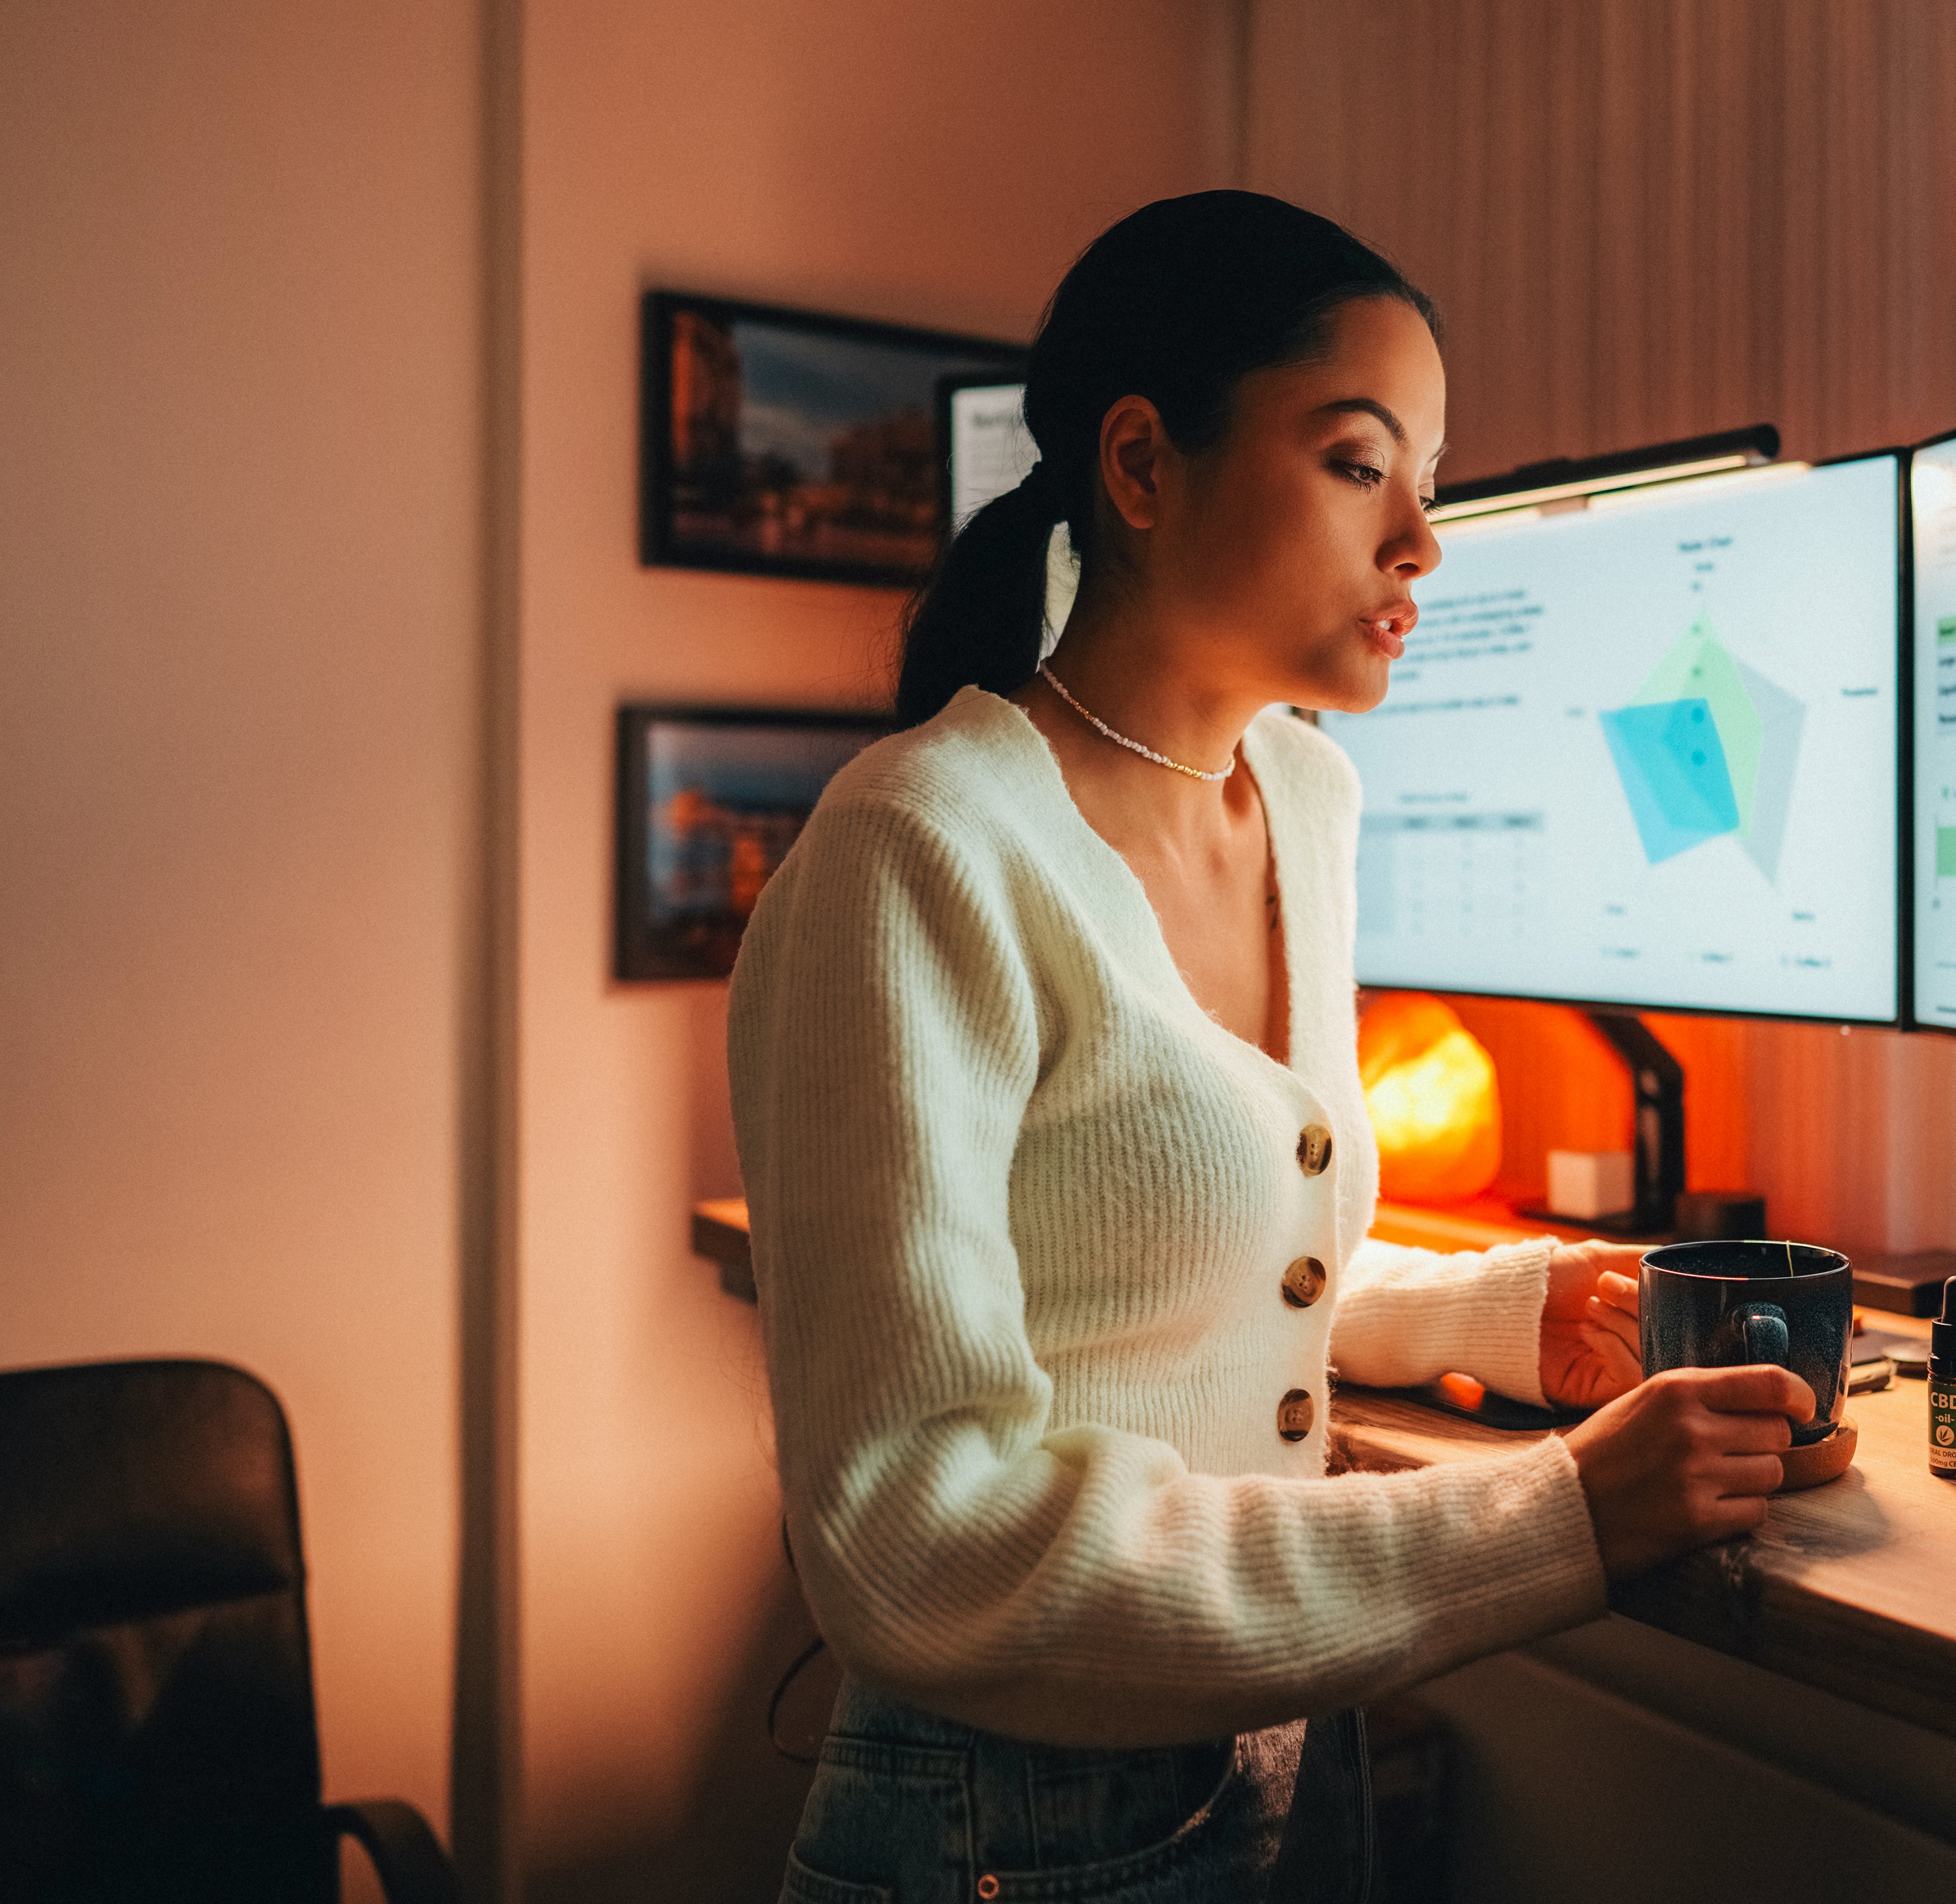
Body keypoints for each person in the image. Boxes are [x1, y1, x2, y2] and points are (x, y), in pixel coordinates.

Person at [727, 191, 1816, 1904]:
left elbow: (1176, 1270)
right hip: (1004, 1829)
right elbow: (922, 1539)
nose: (1423, 547)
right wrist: (1557, 1521)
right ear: (1144, 469)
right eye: (1357, 464)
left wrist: (1497, 1312)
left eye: (1431, 487)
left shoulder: (1301, 797)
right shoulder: (917, 854)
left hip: (1283, 1762)